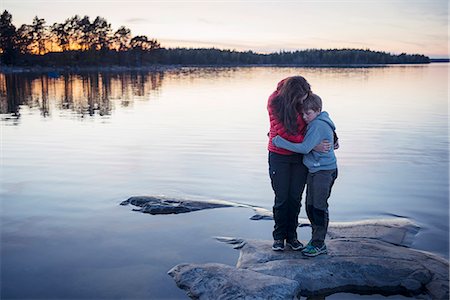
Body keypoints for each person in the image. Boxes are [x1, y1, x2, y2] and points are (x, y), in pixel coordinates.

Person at [267, 76, 331, 252]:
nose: (304, 99)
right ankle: (279, 237)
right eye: (301, 96)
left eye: (306, 95)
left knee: (295, 198)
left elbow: (319, 119)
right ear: (292, 94)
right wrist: (310, 144)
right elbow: (282, 132)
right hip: (279, 155)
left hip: (300, 157)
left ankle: (292, 237)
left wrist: (332, 136)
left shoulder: (305, 99)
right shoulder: (275, 101)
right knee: (282, 198)